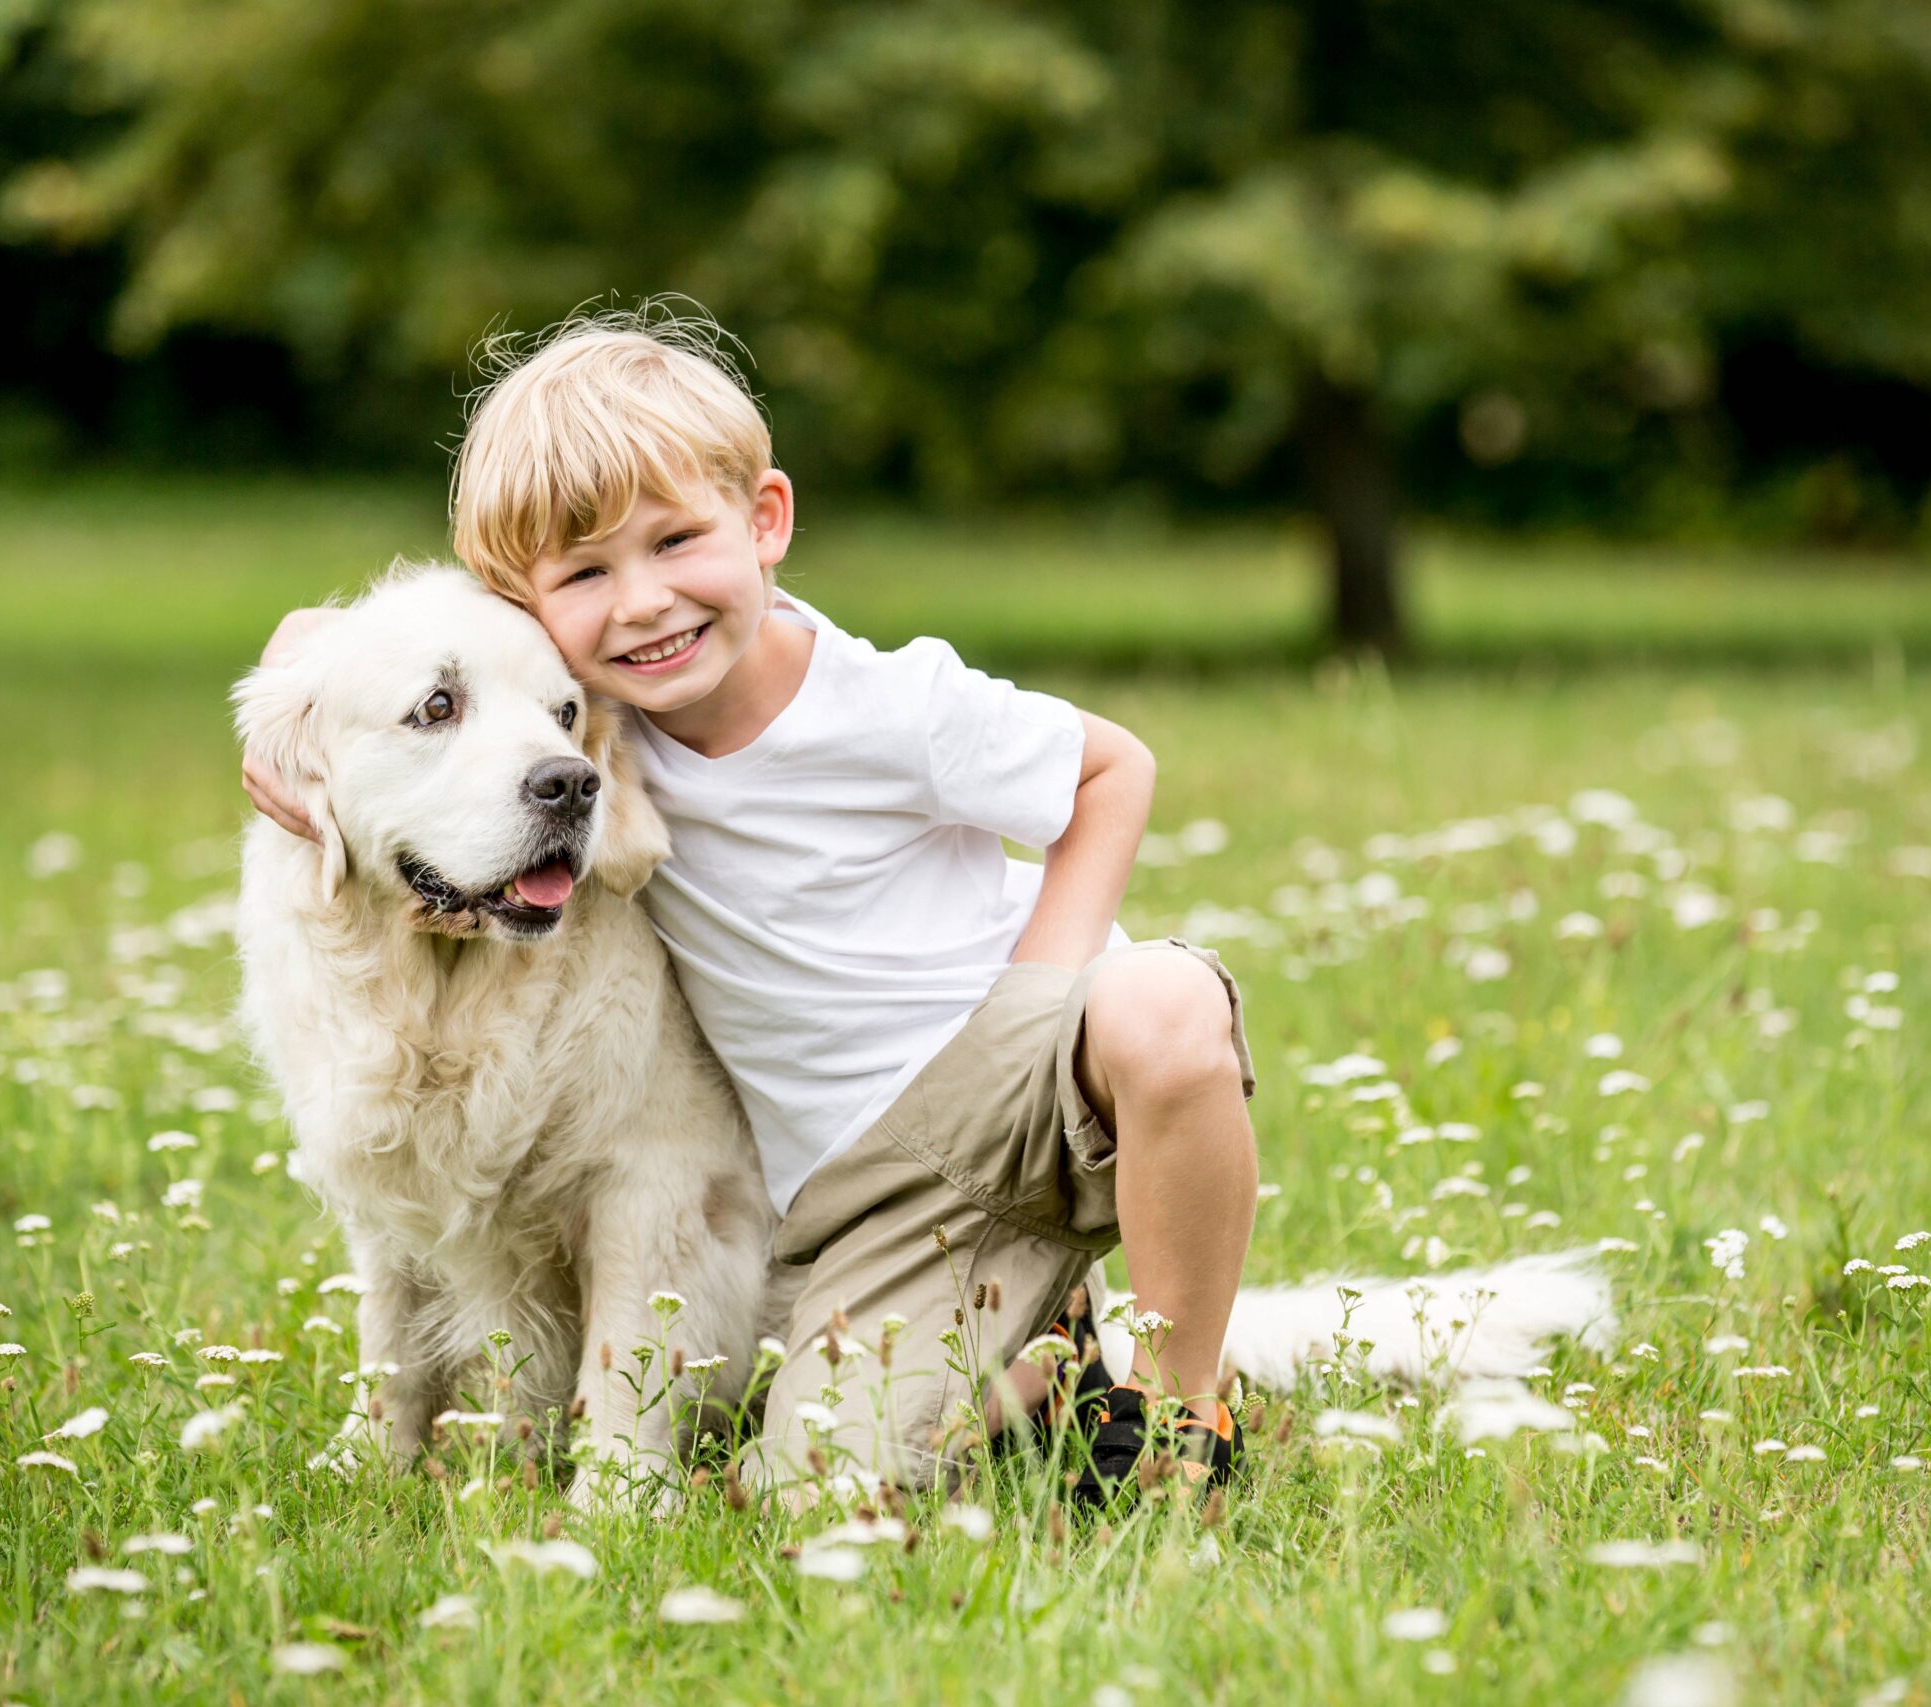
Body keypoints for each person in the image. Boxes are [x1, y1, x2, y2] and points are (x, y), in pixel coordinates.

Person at [241, 308, 1259, 1505]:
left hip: (1027, 1071)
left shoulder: (886, 702)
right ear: (531, 610)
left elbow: (1112, 767)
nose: (642, 605)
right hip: (864, 1194)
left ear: (766, 519)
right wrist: (297, 670)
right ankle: (1042, 1357)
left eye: (677, 542)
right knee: (807, 1493)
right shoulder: (600, 736)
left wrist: (1037, 999)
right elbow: (389, 661)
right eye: (585, 575)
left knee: (1165, 1004)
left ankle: (1181, 1409)